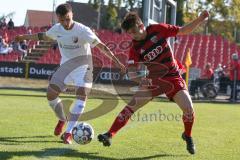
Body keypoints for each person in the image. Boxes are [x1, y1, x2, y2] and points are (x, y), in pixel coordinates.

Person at [98, 11, 209, 155]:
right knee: (131, 106)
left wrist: (200, 19)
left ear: (141, 26)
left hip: (173, 76)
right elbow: (131, 72)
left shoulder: (158, 29)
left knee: (188, 110)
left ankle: (187, 135)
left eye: (134, 31)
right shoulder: (135, 47)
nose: (132, 36)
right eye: (129, 34)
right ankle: (109, 134)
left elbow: (183, 31)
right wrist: (140, 80)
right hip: (154, 80)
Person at [15, 3, 126, 144]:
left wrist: (116, 61)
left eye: (67, 19)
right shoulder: (57, 29)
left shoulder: (83, 30)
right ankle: (62, 118)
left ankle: (68, 133)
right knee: (51, 94)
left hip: (84, 67)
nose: (65, 23)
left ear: (72, 14)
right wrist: (23, 37)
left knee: (82, 94)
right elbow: (43, 36)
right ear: (58, 19)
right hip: (66, 67)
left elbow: (101, 46)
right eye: (62, 20)